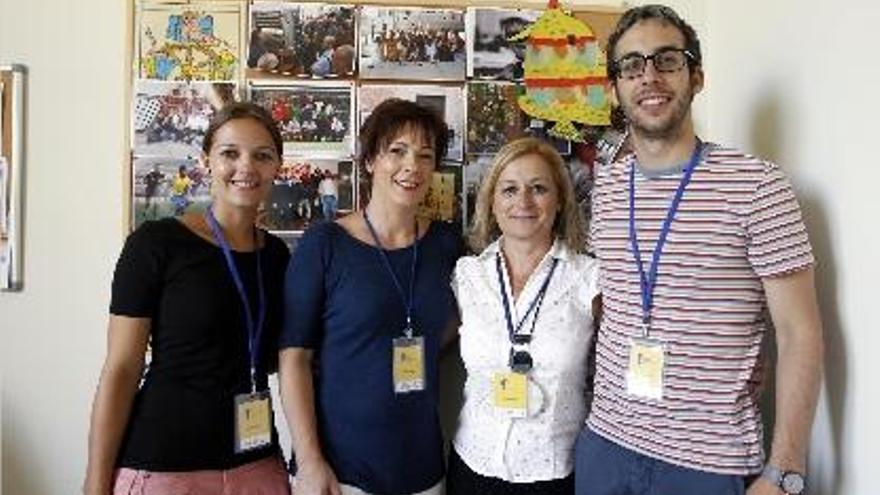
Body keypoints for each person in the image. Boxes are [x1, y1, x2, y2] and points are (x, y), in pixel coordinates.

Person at [575, 5, 824, 495]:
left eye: (667, 60)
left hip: (708, 464)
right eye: (631, 65)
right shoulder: (604, 189)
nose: (649, 77)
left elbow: (801, 332)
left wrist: (785, 471)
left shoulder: (758, 186)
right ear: (614, 88)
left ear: (697, 76)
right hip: (605, 446)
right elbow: (609, 302)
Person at [83, 102, 291, 495]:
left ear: (277, 166)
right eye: (230, 153)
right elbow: (122, 369)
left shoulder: (278, 257)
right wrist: (96, 484)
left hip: (257, 464)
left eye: (262, 155)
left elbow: (280, 358)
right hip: (167, 466)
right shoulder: (156, 243)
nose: (246, 166)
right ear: (206, 161)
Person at [278, 98, 461, 495]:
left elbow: (455, 325)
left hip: (422, 466)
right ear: (369, 161)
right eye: (397, 151)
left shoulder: (446, 244)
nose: (412, 165)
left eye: (425, 155)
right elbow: (294, 357)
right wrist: (310, 462)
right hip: (339, 471)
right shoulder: (325, 243)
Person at [446, 137, 600, 495]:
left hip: (554, 473)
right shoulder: (467, 276)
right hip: (472, 465)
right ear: (493, 202)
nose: (524, 202)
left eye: (539, 188)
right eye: (510, 189)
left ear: (560, 199)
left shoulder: (590, 279)